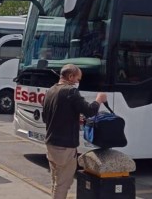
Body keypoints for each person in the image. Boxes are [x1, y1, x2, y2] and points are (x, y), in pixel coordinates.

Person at [42, 64, 107, 199]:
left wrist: (72, 116)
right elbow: (89, 110)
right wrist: (99, 100)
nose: (78, 82)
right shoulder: (71, 92)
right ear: (70, 77)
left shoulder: (50, 91)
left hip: (51, 143)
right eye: (78, 79)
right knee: (63, 183)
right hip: (65, 146)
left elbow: (45, 117)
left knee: (56, 180)